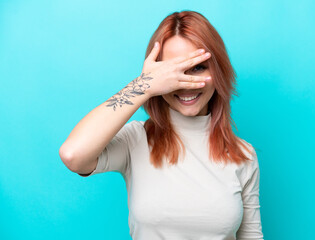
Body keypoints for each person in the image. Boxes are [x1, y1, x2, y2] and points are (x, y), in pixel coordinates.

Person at [59, 10, 264, 240]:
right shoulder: (135, 140)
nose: (186, 83)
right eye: (172, 71)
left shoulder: (244, 156)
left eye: (198, 67)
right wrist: (144, 84)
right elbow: (72, 154)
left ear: (217, 72)